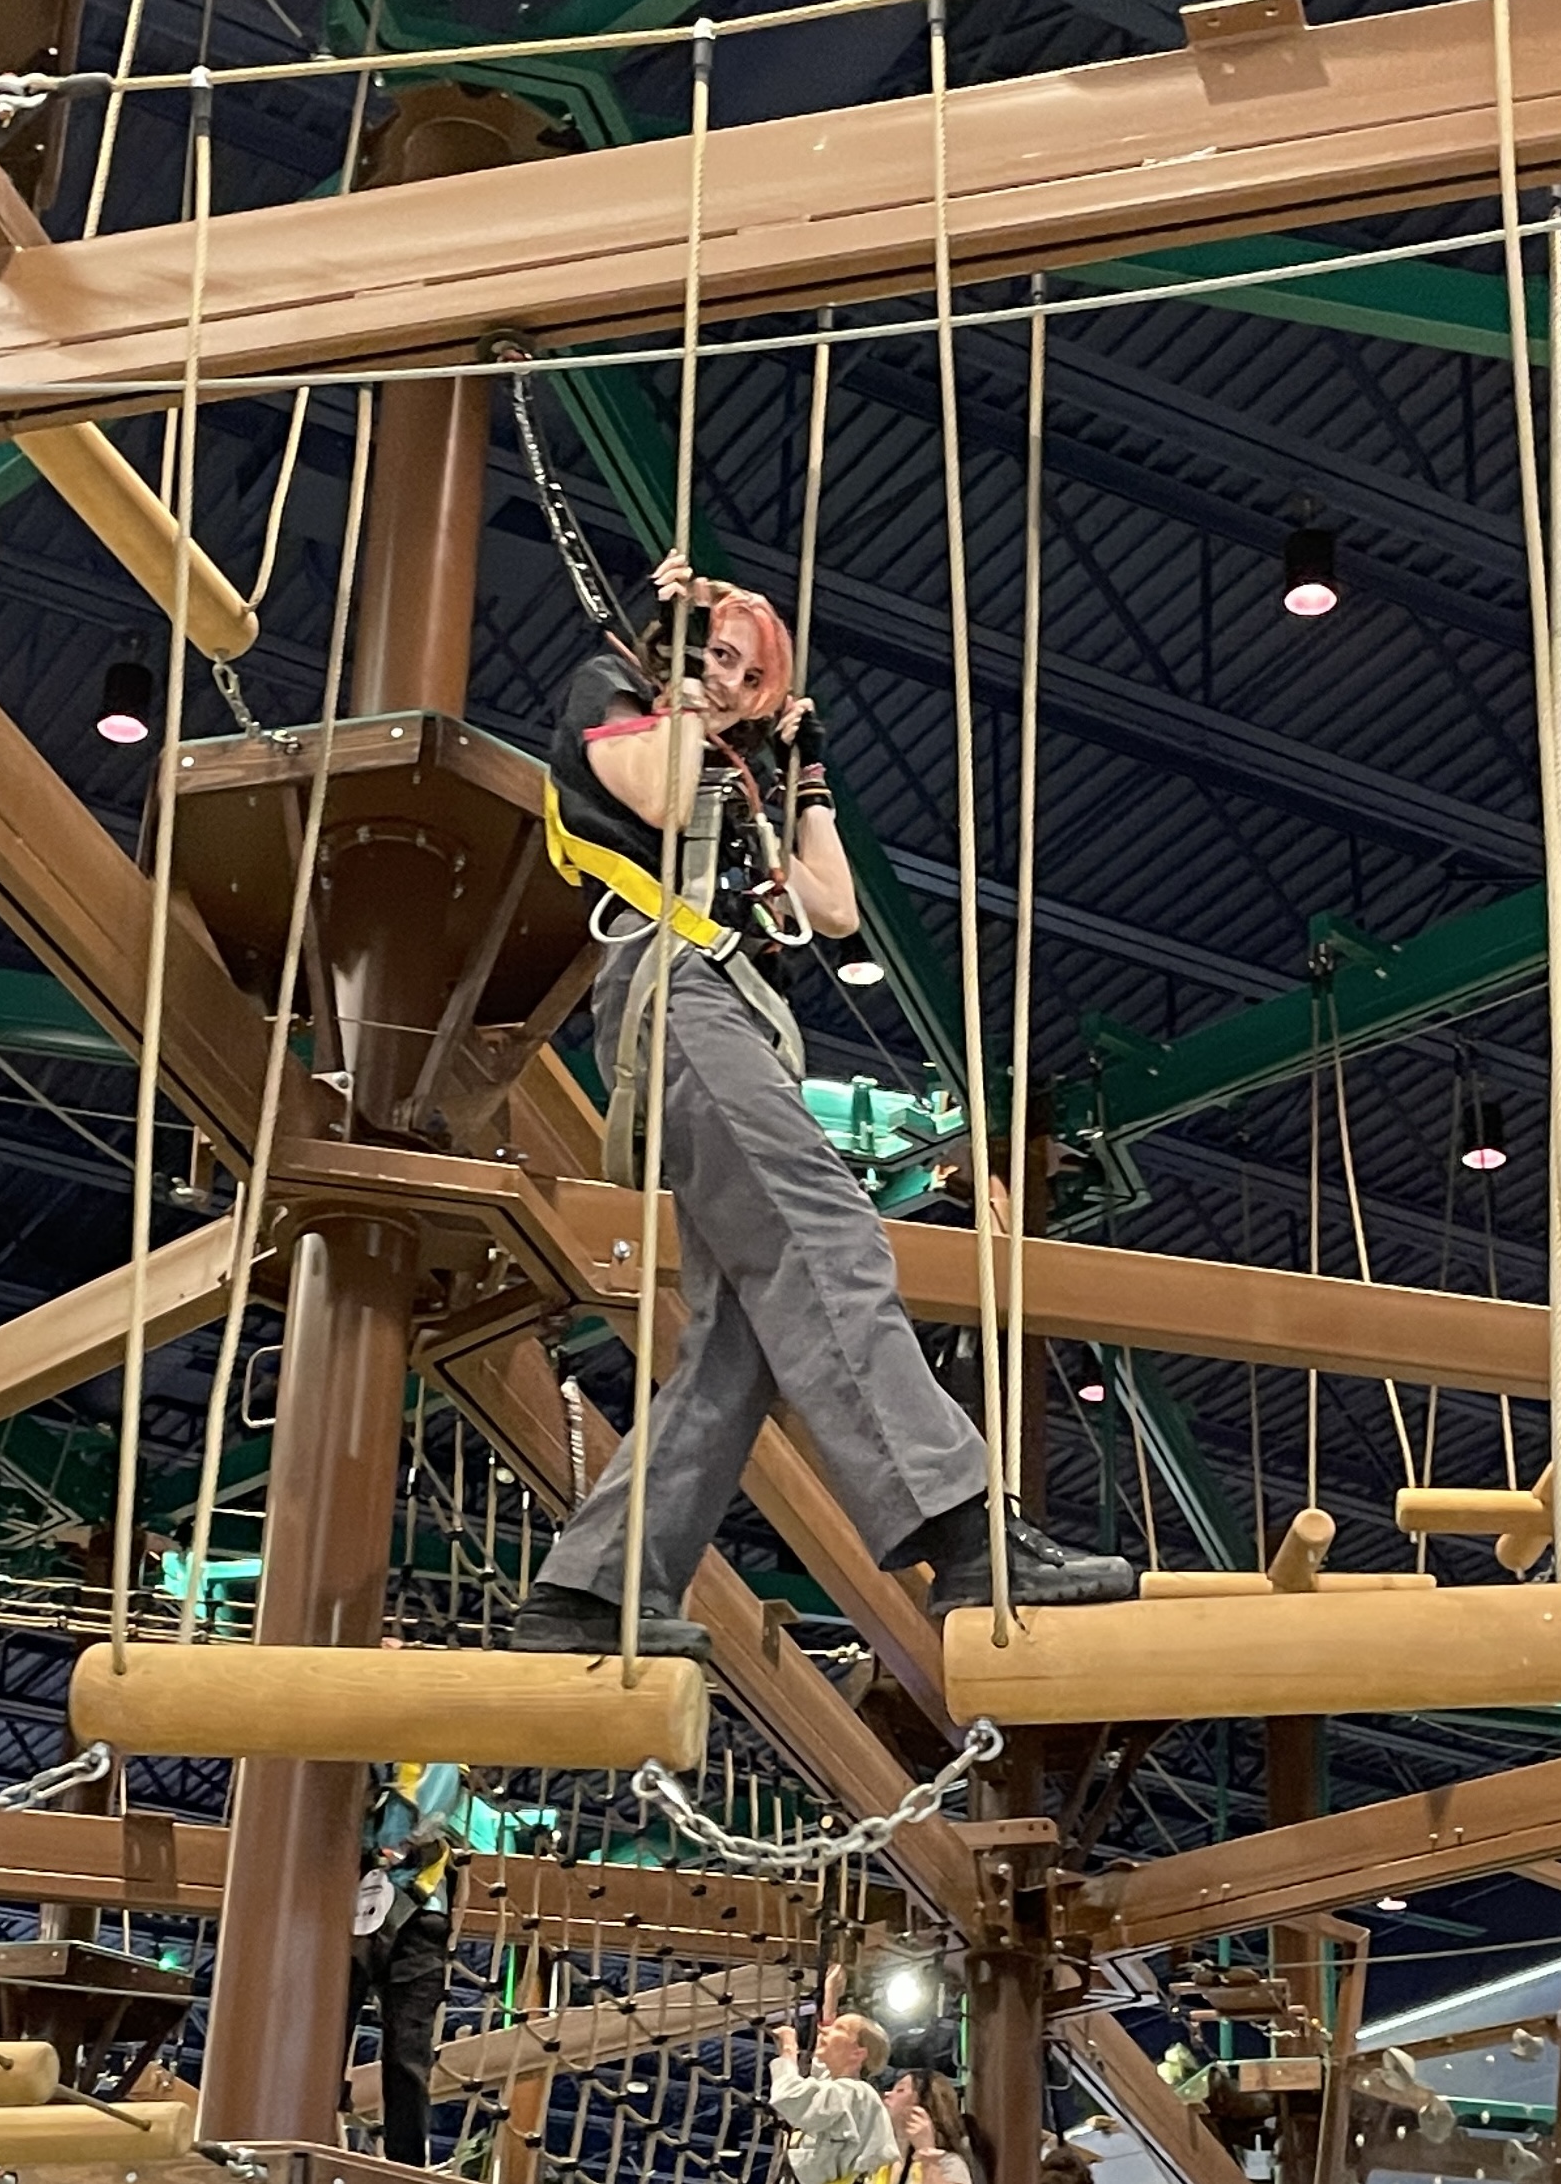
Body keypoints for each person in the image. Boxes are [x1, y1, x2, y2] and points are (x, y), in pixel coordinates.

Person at [511, 551, 1134, 1661]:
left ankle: (592, 1586)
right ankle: (961, 1522)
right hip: (675, 987)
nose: (725, 670)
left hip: (738, 1012)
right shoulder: (615, 700)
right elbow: (648, 794)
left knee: (740, 1345)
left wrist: (804, 777)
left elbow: (833, 907)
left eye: (745, 667)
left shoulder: (737, 776)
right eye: (714, 649)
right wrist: (687, 678)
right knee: (831, 1239)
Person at [344, 1760, 467, 2168]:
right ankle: (320, 2121)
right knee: (335, 2032)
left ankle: (405, 2167)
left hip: (412, 1906)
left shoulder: (437, 1749)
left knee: (408, 2054)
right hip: (368, 1901)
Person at [769, 1988, 899, 2184]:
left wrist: (789, 2049)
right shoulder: (844, 2093)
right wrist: (831, 1994)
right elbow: (822, 2077)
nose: (823, 2030)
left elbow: (790, 2097)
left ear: (858, 2053)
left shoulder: (856, 2094)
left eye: (840, 2029)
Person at [883, 2069, 975, 2184]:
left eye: (900, 2090)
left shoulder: (950, 2164)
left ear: (922, 2105)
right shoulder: (886, 2158)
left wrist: (927, 2153)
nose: (887, 2094)